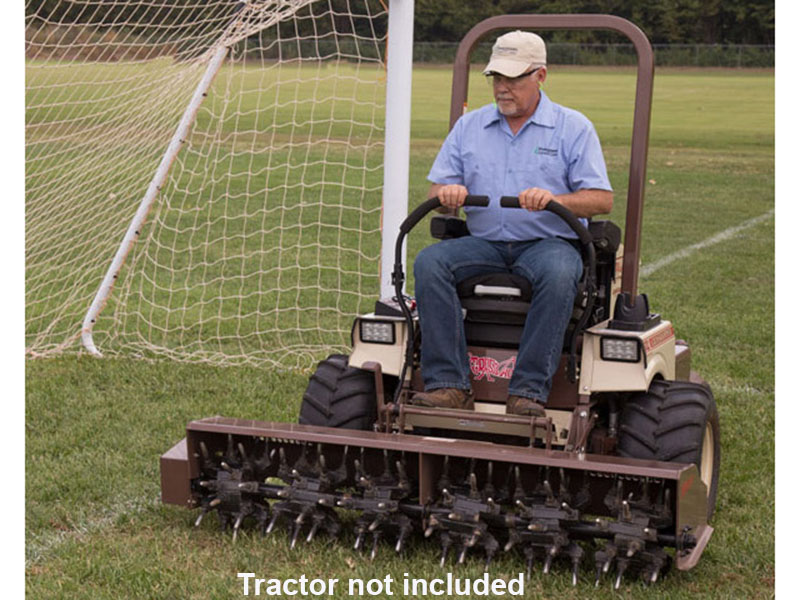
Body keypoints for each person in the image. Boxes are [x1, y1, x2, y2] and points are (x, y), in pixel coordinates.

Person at [411, 30, 613, 417]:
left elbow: (601, 199)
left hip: (547, 243)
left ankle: (528, 392)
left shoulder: (573, 128)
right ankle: (448, 385)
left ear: (540, 76)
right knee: (430, 262)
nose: (502, 89)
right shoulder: (469, 128)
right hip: (484, 242)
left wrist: (555, 200)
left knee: (558, 272)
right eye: (496, 79)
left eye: (513, 79)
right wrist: (446, 194)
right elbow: (436, 192)